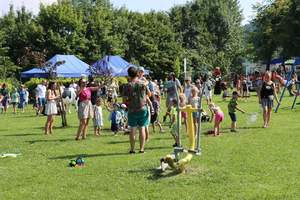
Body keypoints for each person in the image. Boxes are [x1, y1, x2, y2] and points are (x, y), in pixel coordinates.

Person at [122, 66, 151, 154]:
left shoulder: (127, 86)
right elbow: (149, 94)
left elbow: (124, 100)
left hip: (132, 110)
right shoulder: (143, 84)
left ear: (129, 75)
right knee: (142, 128)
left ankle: (132, 149)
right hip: (142, 108)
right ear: (137, 73)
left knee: (133, 129)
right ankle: (142, 149)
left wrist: (130, 100)